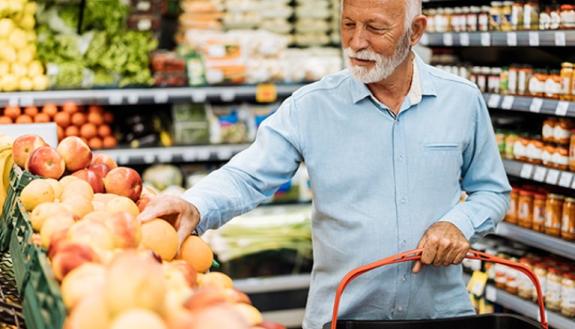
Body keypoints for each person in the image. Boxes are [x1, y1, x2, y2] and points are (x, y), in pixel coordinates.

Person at [138, 0, 511, 328]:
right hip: (342, 316)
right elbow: (247, 176)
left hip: (441, 317)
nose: (357, 42)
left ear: (415, 31)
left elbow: (491, 191)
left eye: (375, 28)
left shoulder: (460, 100)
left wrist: (458, 223)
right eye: (348, 24)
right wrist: (195, 204)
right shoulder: (312, 106)